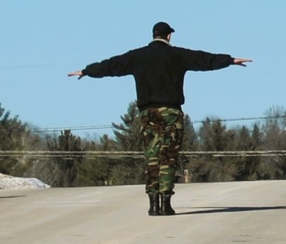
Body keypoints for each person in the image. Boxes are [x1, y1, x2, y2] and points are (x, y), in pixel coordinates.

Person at [69, 21, 252, 216]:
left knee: (152, 156)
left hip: (148, 113)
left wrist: (87, 71)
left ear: (153, 35)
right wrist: (229, 60)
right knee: (168, 157)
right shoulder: (177, 55)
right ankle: (165, 203)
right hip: (171, 112)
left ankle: (153, 204)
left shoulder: (137, 56)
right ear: (169, 36)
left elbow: (112, 65)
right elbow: (203, 60)